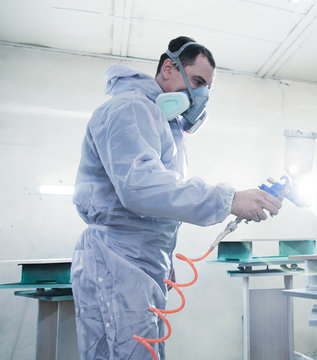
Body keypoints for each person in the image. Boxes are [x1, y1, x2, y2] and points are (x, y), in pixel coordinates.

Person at [71, 35, 281, 360]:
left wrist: (164, 261)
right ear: (168, 68)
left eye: (206, 89)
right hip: (117, 262)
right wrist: (228, 199)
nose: (200, 96)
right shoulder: (131, 108)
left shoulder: (166, 125)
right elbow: (140, 187)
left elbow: (159, 204)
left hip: (139, 264)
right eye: (197, 81)